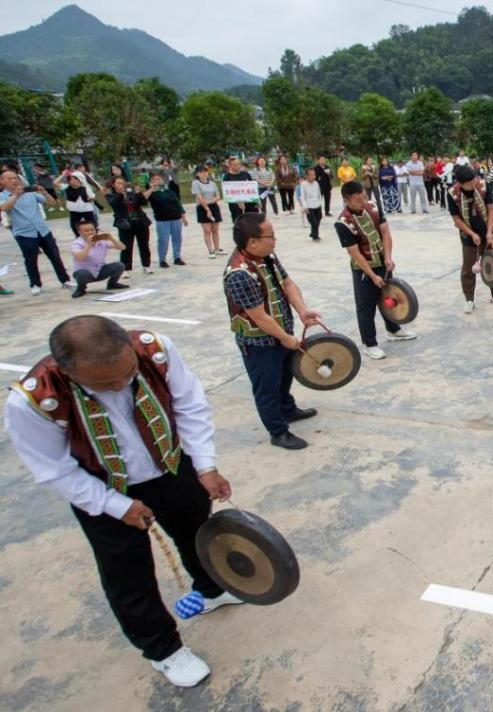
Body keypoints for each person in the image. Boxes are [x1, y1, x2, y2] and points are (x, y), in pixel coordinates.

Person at [5, 315, 241, 688]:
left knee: (197, 533)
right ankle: (164, 650)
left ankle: (210, 590)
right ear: (68, 372)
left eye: (128, 374)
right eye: (105, 384)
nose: (120, 385)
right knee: (128, 574)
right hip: (101, 490)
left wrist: (204, 465)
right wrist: (116, 506)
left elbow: (190, 405)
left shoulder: (155, 350)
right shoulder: (34, 400)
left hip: (171, 466)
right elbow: (54, 469)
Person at [223, 213, 320, 450]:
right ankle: (278, 432)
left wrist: (302, 311)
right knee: (267, 387)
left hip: (282, 332)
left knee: (286, 375)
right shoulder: (238, 274)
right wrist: (285, 338)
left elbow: (287, 283)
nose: (275, 240)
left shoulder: (267, 256)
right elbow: (258, 316)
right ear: (253, 242)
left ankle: (288, 410)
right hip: (259, 343)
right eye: (271, 236)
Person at [335, 181, 417, 360]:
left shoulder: (373, 207)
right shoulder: (343, 223)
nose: (363, 202)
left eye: (364, 197)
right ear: (347, 201)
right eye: (358, 200)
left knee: (389, 297)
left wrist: (388, 257)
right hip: (363, 270)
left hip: (382, 263)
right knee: (366, 307)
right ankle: (370, 344)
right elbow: (354, 253)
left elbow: (385, 233)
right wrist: (372, 275)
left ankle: (393, 329)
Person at [449, 164, 493, 313]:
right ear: (460, 184)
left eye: (474, 180)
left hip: (487, 233)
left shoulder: (483, 185)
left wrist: (489, 232)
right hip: (468, 236)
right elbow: (456, 219)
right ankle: (469, 300)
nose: (473, 184)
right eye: (469, 183)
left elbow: (492, 210)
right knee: (468, 269)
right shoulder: (452, 193)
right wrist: (472, 234)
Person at [1, 170, 71, 295]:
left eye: (15, 178)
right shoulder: (3, 196)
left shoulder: (30, 193)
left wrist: (44, 192)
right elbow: (5, 208)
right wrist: (16, 195)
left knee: (55, 256)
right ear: (2, 181)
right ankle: (35, 284)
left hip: (43, 230)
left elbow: (51, 203)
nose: (14, 180)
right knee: (31, 259)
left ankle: (65, 280)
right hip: (24, 233)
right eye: (10, 179)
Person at [107, 177, 157, 272]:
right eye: (119, 183)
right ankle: (126, 269)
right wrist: (121, 194)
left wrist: (139, 193)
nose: (122, 185)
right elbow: (114, 204)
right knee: (126, 247)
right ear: (113, 185)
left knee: (144, 245)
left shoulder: (131, 193)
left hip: (140, 222)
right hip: (125, 224)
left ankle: (146, 265)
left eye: (123, 183)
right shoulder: (111, 196)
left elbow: (143, 203)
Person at [69, 221, 128, 298]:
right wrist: (89, 244)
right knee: (81, 274)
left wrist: (111, 238)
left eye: (92, 230)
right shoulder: (77, 244)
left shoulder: (101, 240)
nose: (90, 232)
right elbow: (80, 258)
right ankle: (81, 288)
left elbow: (122, 247)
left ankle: (112, 284)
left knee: (119, 265)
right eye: (86, 231)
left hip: (100, 271)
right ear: (80, 232)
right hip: (86, 274)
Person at [146, 173, 189, 266]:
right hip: (162, 220)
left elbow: (178, 204)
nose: (158, 181)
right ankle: (162, 260)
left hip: (175, 218)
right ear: (151, 181)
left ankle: (177, 257)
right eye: (155, 179)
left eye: (159, 179)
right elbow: (144, 199)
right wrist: (151, 188)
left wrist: (183, 217)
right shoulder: (152, 194)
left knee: (177, 239)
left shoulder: (169, 192)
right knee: (163, 240)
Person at [191, 165, 224, 258]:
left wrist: (209, 202)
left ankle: (217, 249)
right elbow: (199, 197)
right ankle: (211, 250)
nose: (204, 174)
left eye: (205, 171)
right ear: (197, 174)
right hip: (202, 207)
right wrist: (207, 209)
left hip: (214, 206)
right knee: (207, 230)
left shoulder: (212, 183)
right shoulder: (195, 183)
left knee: (215, 230)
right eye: (201, 172)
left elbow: (218, 196)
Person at [56, 171, 100, 237]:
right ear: (69, 182)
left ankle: (95, 237)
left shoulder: (85, 187)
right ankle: (79, 238)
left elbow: (92, 197)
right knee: (74, 226)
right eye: (71, 179)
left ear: (79, 180)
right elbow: (55, 183)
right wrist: (63, 175)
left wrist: (88, 199)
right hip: (74, 211)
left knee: (92, 225)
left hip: (86, 210)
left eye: (76, 179)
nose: (74, 181)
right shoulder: (67, 187)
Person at [220, 157, 259, 223]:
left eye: (239, 164)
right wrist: (238, 201)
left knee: (253, 221)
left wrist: (257, 200)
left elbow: (252, 188)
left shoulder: (246, 174)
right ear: (230, 166)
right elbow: (227, 193)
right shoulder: (227, 177)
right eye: (235, 165)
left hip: (249, 203)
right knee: (238, 222)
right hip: (235, 205)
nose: (238, 166)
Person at [299, 168, 323, 241]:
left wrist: (320, 203)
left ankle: (313, 232)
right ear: (306, 176)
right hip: (309, 206)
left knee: (319, 218)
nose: (313, 177)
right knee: (314, 222)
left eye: (314, 175)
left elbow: (319, 194)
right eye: (311, 175)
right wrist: (305, 207)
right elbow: (302, 197)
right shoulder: (303, 184)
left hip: (317, 205)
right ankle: (315, 236)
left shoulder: (316, 183)